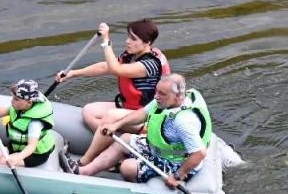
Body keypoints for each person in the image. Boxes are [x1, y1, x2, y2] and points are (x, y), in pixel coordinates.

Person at [53, 19, 170, 152]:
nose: (127, 41)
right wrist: (73, 73)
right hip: (129, 107)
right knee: (89, 111)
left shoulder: (150, 64)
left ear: (147, 42)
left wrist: (106, 41)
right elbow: (106, 67)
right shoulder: (131, 56)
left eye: (133, 39)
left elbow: (116, 69)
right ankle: (114, 146)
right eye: (128, 37)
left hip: (144, 116)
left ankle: (118, 149)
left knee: (109, 117)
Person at [76, 73, 210, 187]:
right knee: (125, 139)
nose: (156, 96)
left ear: (178, 96)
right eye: (157, 91)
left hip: (177, 161)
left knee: (127, 167)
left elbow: (199, 153)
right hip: (160, 149)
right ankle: (84, 171)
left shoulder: (183, 121)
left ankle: (140, 190)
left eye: (162, 93)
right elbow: (142, 114)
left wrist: (178, 175)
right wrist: (116, 125)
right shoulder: (164, 101)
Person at [0, 78, 57, 169]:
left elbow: (31, 146)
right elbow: (0, 111)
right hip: (17, 148)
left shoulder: (35, 122)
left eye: (16, 99)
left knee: (2, 163)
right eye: (13, 97)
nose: (12, 101)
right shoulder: (17, 108)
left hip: (35, 154)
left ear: (29, 102)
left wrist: (18, 157)